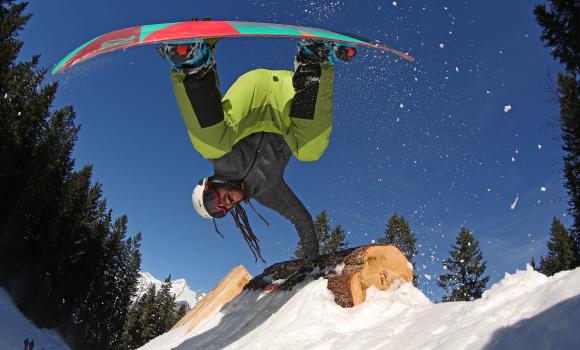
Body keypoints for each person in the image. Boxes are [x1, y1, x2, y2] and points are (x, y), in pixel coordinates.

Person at [160, 34, 356, 280]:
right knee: (309, 151)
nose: (222, 205)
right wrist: (310, 261)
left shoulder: (221, 159)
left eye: (212, 200)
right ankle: (311, 63)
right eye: (219, 212)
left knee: (211, 146)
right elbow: (301, 218)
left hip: (253, 96)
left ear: (210, 184)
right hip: (289, 97)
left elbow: (211, 129)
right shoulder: (267, 190)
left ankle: (195, 67)